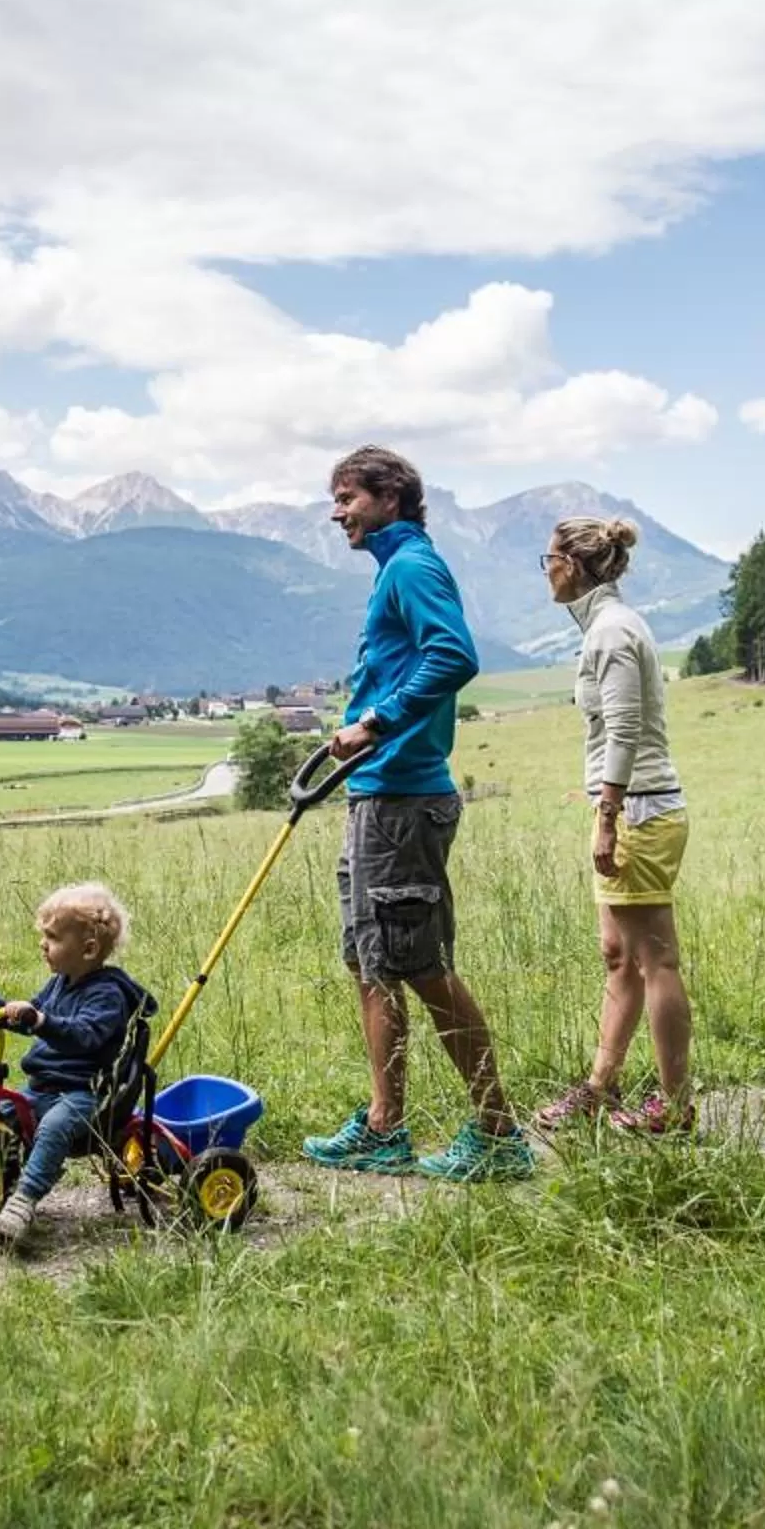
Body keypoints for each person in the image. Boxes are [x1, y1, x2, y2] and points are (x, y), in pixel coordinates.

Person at [300, 445, 534, 1183]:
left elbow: (455, 655)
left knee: (424, 968)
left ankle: (499, 1134)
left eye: (348, 498)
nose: (338, 512)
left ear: (391, 498)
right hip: (377, 796)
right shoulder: (394, 570)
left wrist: (374, 722)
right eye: (336, 499)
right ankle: (383, 1129)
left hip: (405, 798)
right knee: (372, 964)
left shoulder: (411, 567)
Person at [528, 518, 698, 1136]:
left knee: (656, 962)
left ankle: (676, 1108)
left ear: (571, 563)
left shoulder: (613, 633)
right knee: (618, 957)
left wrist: (607, 818)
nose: (544, 569)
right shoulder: (604, 627)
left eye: (547, 558)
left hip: (639, 812)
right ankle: (600, 1087)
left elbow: (624, 732)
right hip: (630, 807)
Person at [0, 880, 149, 1248]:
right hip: (44, 1087)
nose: (43, 944)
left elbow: (83, 1034)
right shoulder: (59, 983)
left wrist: (40, 1021)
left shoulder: (108, 995)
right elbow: (27, 1014)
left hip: (85, 1092)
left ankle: (25, 1200)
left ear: (89, 949)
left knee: (55, 1127)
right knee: (2, 1114)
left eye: (54, 937)